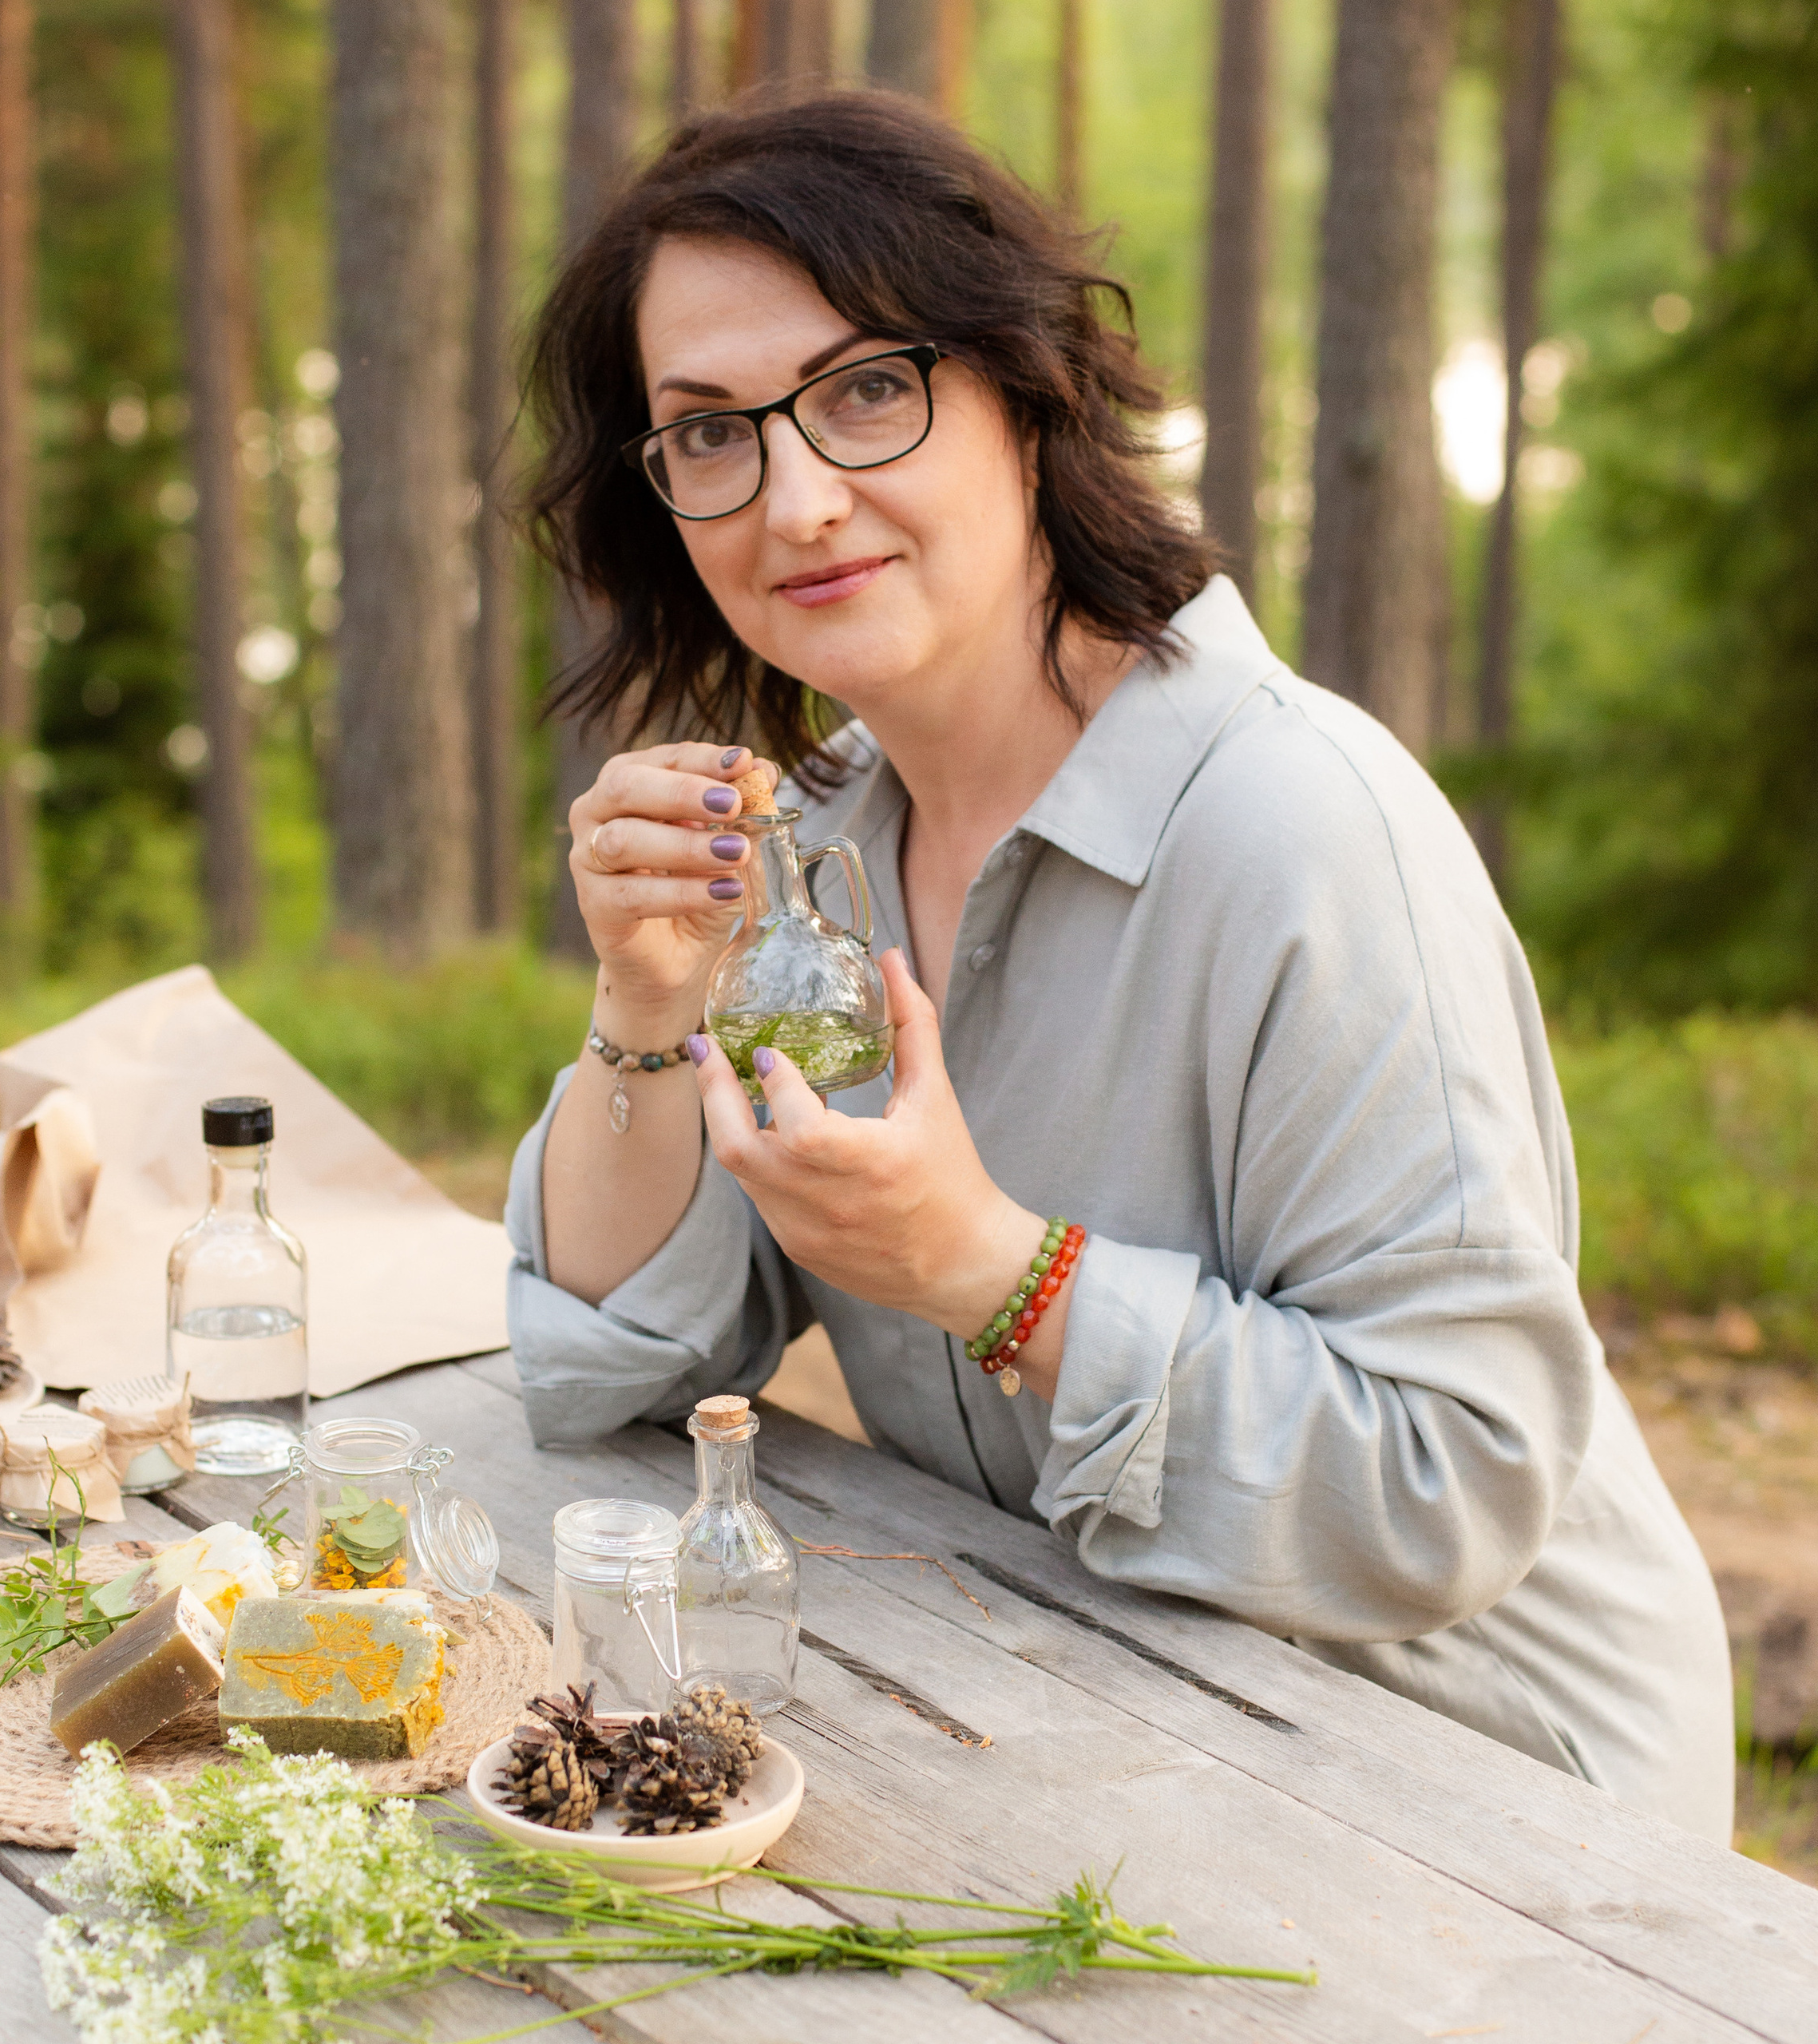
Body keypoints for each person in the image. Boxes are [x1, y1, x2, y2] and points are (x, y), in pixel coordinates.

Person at [501, 92, 1734, 1841]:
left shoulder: (1302, 834)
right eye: (707, 433)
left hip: (1491, 1811)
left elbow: (1442, 1484)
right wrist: (639, 1004)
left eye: (865, 388)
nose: (792, 496)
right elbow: (595, 1371)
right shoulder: (812, 850)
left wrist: (983, 1266)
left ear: (1024, 396)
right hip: (1107, 1715)